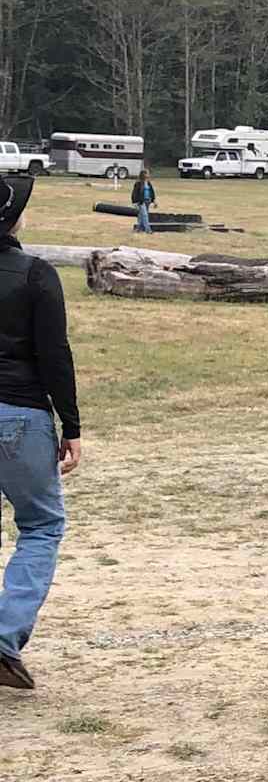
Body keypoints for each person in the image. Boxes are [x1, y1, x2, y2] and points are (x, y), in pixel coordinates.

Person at [0, 175, 82, 691]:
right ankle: (4, 637)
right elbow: (55, 355)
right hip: (20, 414)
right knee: (41, 525)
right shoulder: (35, 274)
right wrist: (71, 426)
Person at [130, 169, 157, 234]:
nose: (148, 175)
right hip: (141, 202)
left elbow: (152, 192)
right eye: (147, 173)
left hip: (148, 201)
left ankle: (139, 229)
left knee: (141, 215)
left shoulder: (148, 183)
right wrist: (134, 202)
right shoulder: (138, 183)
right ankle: (148, 230)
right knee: (145, 215)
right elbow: (134, 193)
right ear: (143, 174)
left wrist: (154, 201)